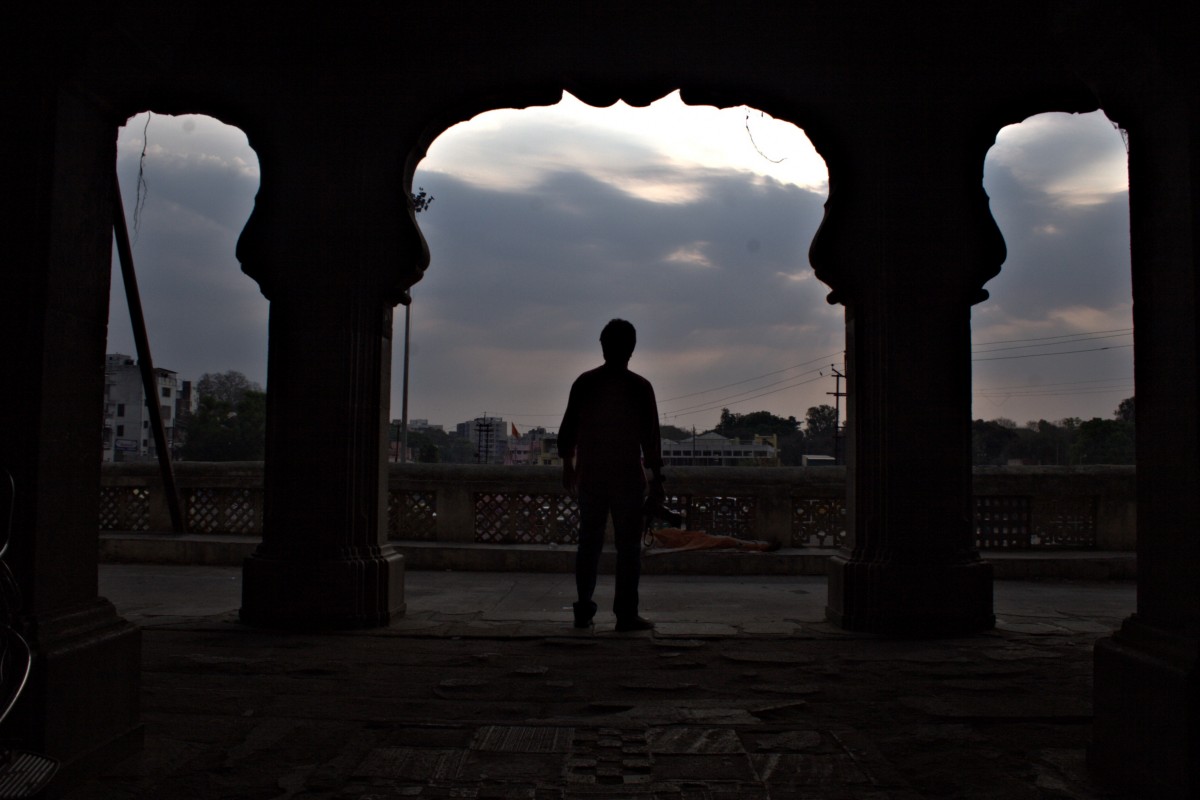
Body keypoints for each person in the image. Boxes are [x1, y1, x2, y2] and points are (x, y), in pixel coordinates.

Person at [558, 319, 663, 632]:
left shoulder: (585, 383)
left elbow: (567, 433)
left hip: (591, 476)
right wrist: (657, 481)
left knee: (588, 545)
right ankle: (626, 613)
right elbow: (651, 441)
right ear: (631, 349)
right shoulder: (639, 388)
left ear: (603, 346)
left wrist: (569, 465)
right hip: (627, 479)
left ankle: (583, 609)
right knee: (628, 549)